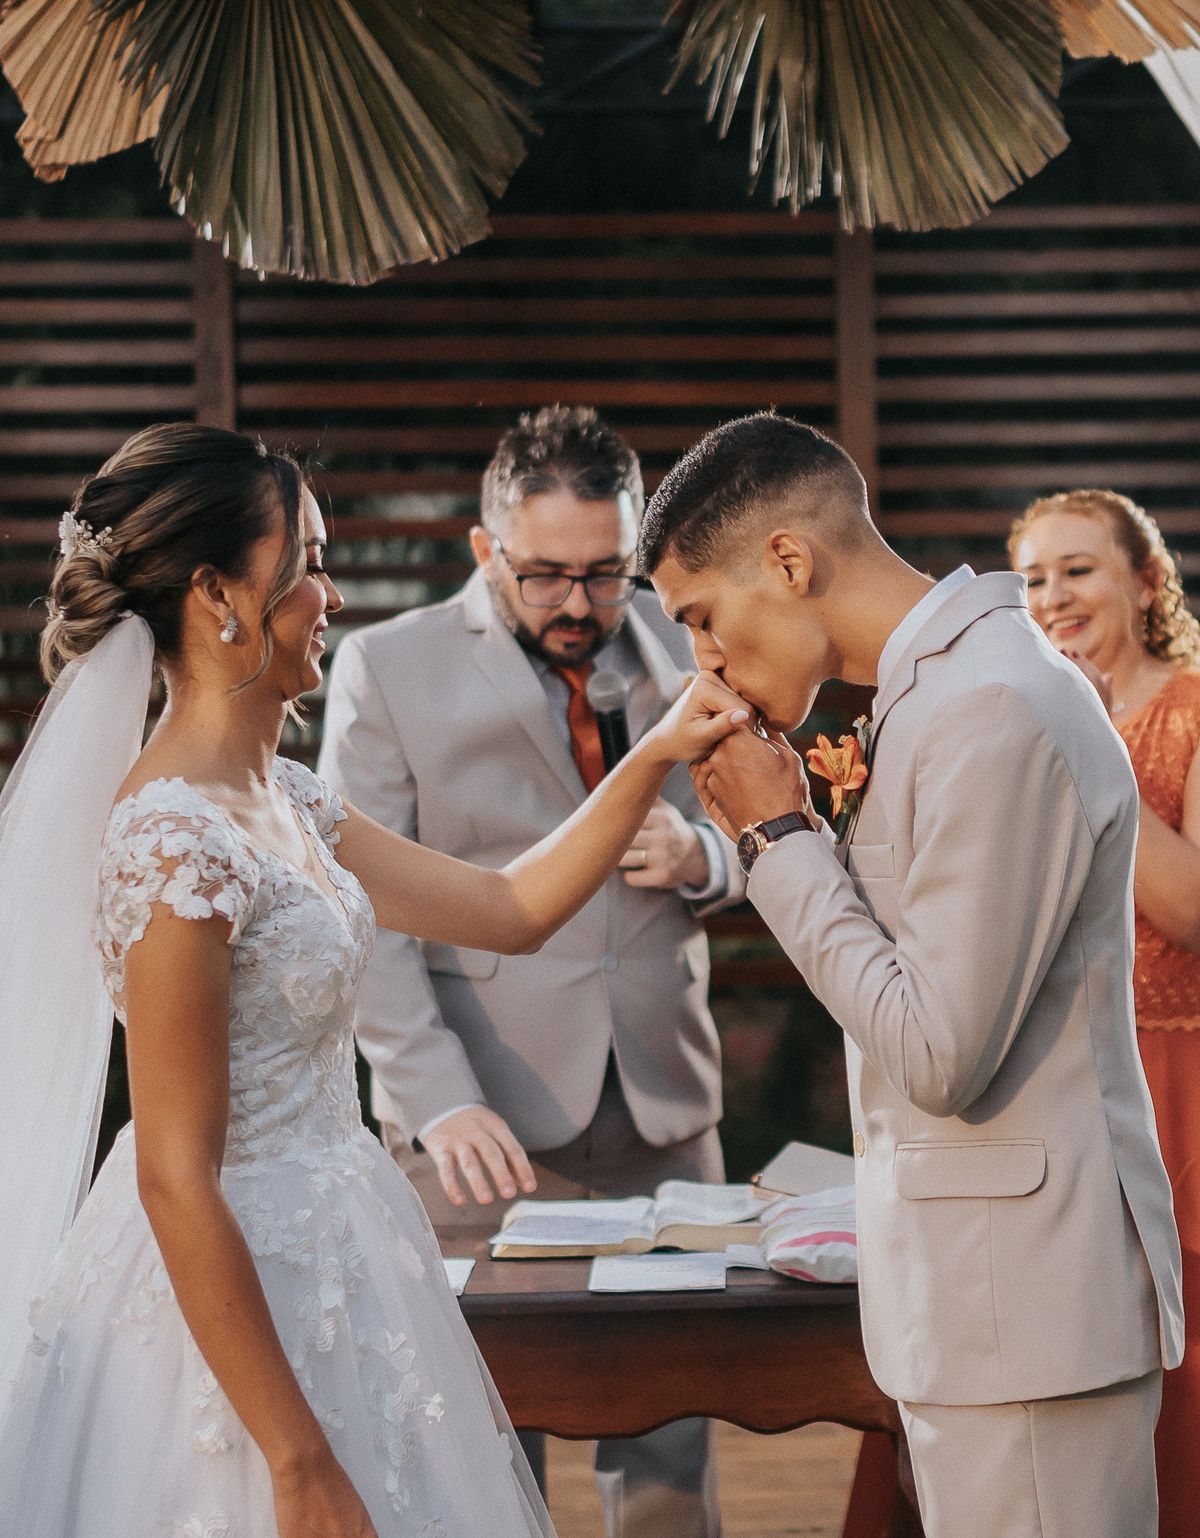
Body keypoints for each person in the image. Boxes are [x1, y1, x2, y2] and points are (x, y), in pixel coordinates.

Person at [0, 423, 749, 1538]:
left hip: (351, 1247)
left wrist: (653, 756)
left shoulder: (290, 799)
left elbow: (511, 908)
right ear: (218, 594)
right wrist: (297, 1460)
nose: (331, 594)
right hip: (231, 1307)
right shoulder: (170, 843)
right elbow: (174, 1175)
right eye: (304, 563)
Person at [636, 412, 1184, 1538]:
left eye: (702, 617)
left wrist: (778, 840)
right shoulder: (946, 687)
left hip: (1024, 1314)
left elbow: (939, 1049)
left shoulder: (987, 703)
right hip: (986, 1305)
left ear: (789, 560)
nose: (706, 660)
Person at [319, 405, 743, 1538]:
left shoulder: (692, 639)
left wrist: (706, 856)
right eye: (546, 573)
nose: (578, 603)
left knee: (668, 1441)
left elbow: (765, 828)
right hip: (482, 1125)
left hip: (665, 1102)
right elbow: (360, 915)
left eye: (606, 574)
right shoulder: (385, 666)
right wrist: (438, 1097)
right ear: (484, 549)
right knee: (482, 1441)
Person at [1010, 488, 1200, 1538]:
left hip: (1181, 1089)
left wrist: (1091, 734)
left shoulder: (1191, 709)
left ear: (1145, 581)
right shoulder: (1021, 718)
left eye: (1078, 569)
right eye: (1034, 577)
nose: (1053, 595)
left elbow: (1192, 909)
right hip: (1062, 1087)